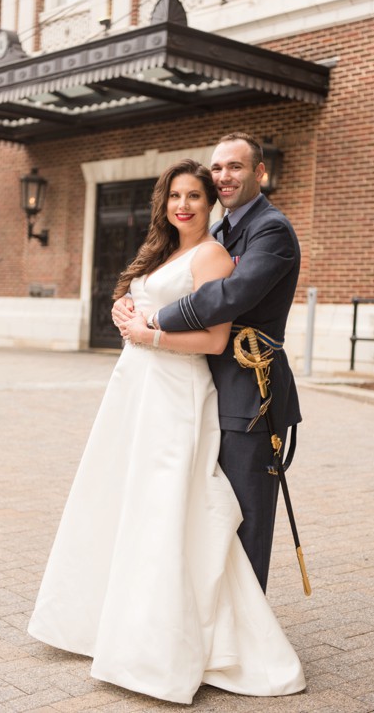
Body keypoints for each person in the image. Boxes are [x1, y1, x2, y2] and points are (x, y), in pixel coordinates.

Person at [28, 159, 306, 704]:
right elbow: (146, 301)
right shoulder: (166, 250)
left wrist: (146, 331)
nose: (184, 205)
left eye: (195, 197)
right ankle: (111, 620)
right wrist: (124, 305)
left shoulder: (212, 253)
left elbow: (213, 339)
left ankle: (175, 640)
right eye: (175, 196)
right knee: (122, 500)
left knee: (168, 508)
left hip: (177, 394)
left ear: (210, 204)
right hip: (136, 393)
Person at [112, 132, 301, 592]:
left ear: (260, 172)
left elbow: (227, 296)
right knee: (205, 511)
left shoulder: (271, 229)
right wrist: (124, 303)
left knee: (243, 514)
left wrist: (154, 321)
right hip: (199, 387)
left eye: (236, 167)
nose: (223, 176)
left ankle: (247, 635)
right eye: (217, 168)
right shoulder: (218, 229)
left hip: (248, 389)